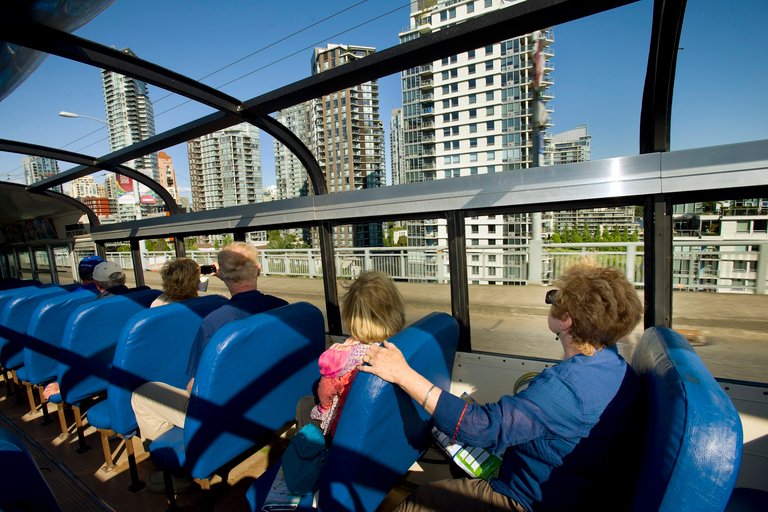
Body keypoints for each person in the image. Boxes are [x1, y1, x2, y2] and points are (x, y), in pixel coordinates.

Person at [360, 261, 644, 512]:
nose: (552, 303)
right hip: (572, 490)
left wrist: (401, 373)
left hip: (530, 500)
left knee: (426, 498)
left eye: (555, 299)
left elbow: (479, 427)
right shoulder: (617, 368)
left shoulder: (565, 388)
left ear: (566, 320)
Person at [130, 242, 287, 493]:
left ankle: (177, 471)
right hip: (269, 403)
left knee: (142, 395)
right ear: (257, 270)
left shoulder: (214, 323)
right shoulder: (282, 306)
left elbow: (196, 389)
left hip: (225, 414)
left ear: (221, 275)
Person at [295, 271, 406, 438]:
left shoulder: (340, 357)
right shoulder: (402, 344)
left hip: (349, 430)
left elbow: (326, 391)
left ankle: (316, 460)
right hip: (383, 426)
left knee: (304, 405)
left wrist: (324, 408)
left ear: (350, 316)